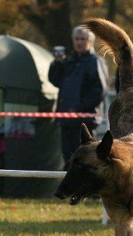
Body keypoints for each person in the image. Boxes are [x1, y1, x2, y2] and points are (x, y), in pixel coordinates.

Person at [48, 25, 108, 162]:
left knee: (84, 159)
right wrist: (57, 63)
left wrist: (78, 107)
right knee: (67, 158)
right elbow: (55, 80)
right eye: (76, 39)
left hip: (84, 121)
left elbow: (99, 91)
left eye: (83, 39)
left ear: (90, 41)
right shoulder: (69, 60)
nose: (79, 42)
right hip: (66, 119)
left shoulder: (95, 61)